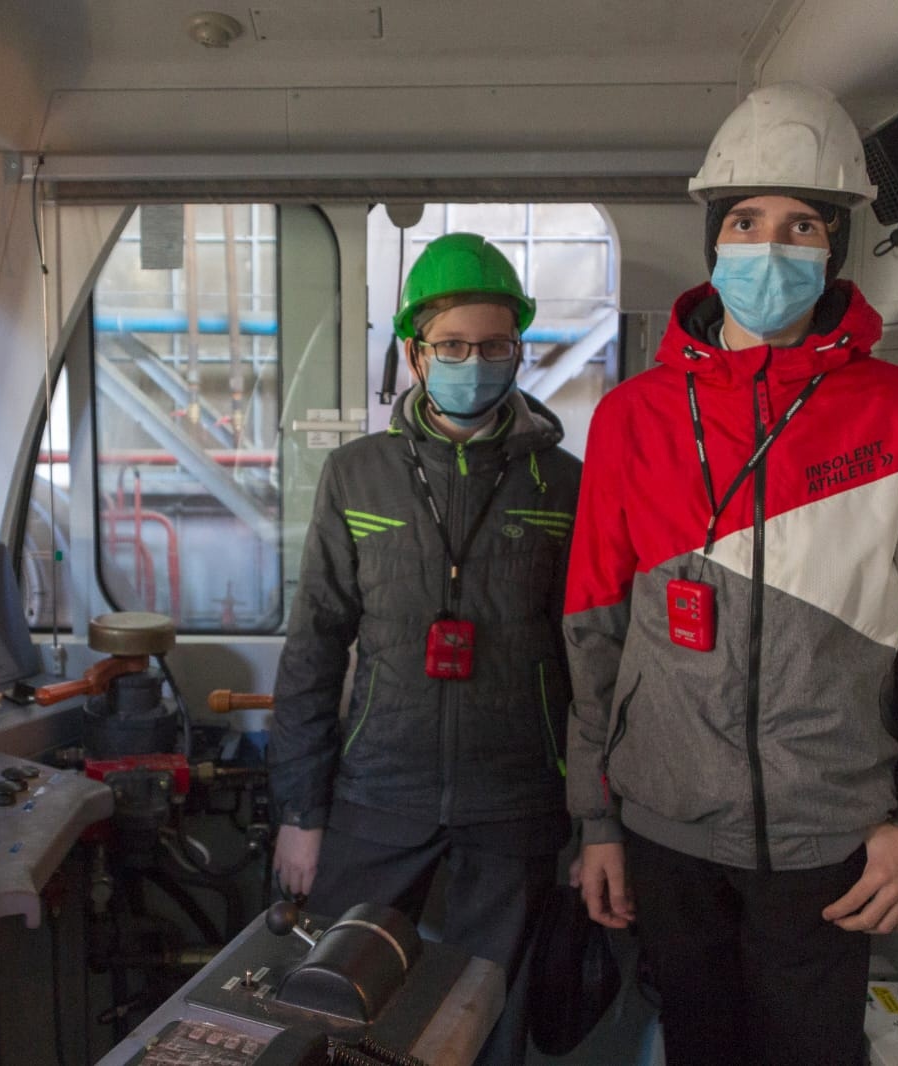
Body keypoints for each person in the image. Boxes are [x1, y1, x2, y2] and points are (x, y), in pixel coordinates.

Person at [564, 82, 898, 1065]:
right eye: (747, 222)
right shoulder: (631, 416)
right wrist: (596, 819)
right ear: (714, 239)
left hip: (831, 842)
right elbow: (592, 632)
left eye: (802, 225)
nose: (770, 249)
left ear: (835, 245)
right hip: (664, 832)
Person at [269, 232, 582, 1066]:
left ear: (518, 351)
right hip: (377, 792)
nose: (473, 364)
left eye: (493, 346)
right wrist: (301, 814)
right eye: (452, 346)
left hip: (515, 802)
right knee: (339, 1020)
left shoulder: (564, 483)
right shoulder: (356, 475)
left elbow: (593, 665)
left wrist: (596, 822)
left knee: (490, 1029)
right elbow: (313, 649)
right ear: (414, 354)